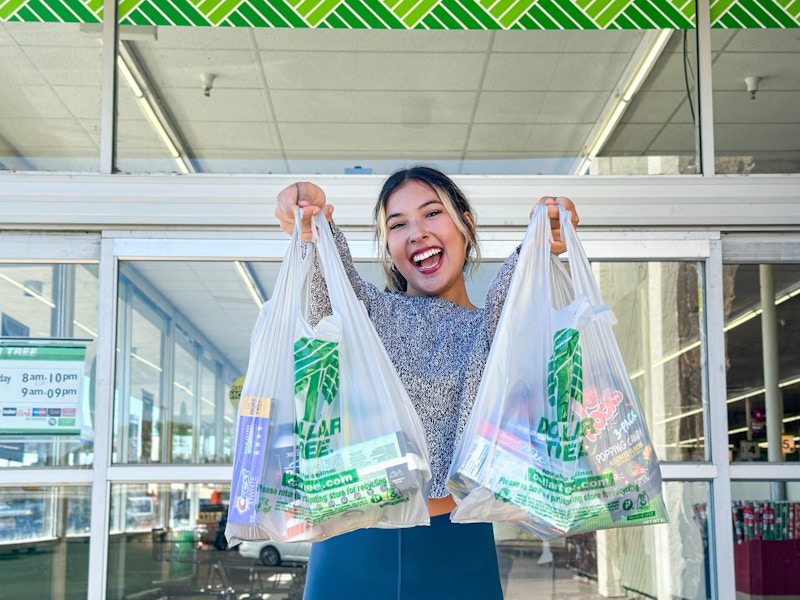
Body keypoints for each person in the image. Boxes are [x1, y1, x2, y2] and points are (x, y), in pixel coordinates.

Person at [275, 166, 578, 600]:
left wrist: (541, 239)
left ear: (465, 224)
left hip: (457, 549)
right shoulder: (370, 318)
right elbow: (330, 282)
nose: (416, 232)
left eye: (431, 214)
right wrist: (306, 216)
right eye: (397, 225)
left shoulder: (495, 328)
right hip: (352, 548)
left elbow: (521, 293)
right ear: (389, 247)